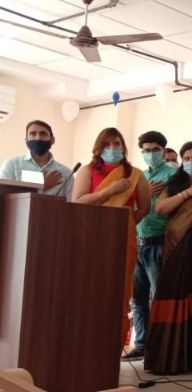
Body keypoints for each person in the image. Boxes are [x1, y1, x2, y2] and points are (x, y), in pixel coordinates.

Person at [144, 141, 192, 374]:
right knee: (170, 294)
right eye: (186, 158)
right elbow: (161, 208)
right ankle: (167, 358)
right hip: (177, 247)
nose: (191, 162)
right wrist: (189, 192)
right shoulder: (177, 183)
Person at [72, 127, 151, 350]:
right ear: (99, 148)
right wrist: (109, 191)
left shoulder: (135, 174)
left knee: (119, 290)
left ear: (124, 147)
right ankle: (84, 342)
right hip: (90, 235)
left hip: (122, 238)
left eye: (117, 144)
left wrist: (125, 223)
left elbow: (144, 208)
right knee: (90, 287)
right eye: (107, 144)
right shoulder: (87, 171)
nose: (113, 148)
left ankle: (112, 346)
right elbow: (77, 202)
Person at [122, 131, 176, 360]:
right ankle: (141, 344)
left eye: (155, 150)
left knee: (158, 298)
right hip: (137, 242)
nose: (151, 154)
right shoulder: (139, 176)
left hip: (159, 242)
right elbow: (131, 206)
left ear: (163, 150)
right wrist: (145, 194)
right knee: (137, 299)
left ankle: (159, 347)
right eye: (146, 150)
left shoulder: (173, 174)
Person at [1, 120, 74, 199]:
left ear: (52, 140)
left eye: (43, 134)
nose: (38, 138)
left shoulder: (66, 173)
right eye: (33, 134)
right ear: (26, 141)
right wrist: (40, 186)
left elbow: (70, 203)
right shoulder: (12, 166)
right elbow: (3, 197)